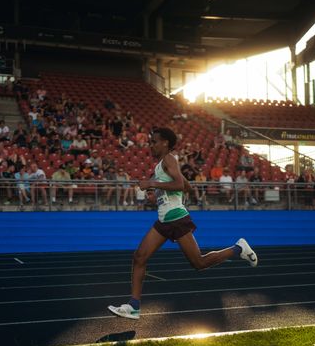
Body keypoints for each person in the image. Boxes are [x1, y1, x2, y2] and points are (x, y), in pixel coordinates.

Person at [108, 127, 258, 320]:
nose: (151, 145)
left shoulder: (169, 159)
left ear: (165, 143)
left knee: (199, 263)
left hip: (176, 218)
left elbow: (179, 185)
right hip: (164, 219)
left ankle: (238, 249)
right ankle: (133, 306)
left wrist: (152, 184)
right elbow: (185, 186)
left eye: (154, 141)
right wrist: (158, 196)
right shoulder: (164, 165)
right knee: (139, 257)